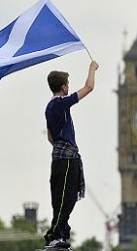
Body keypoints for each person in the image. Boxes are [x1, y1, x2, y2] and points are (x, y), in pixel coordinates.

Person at [44, 60, 99, 249]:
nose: (69, 87)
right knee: (66, 197)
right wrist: (92, 67)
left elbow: (50, 137)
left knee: (62, 197)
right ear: (63, 87)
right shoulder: (60, 104)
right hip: (67, 158)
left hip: (59, 156)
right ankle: (56, 234)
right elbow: (89, 87)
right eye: (67, 84)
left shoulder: (50, 107)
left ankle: (60, 231)